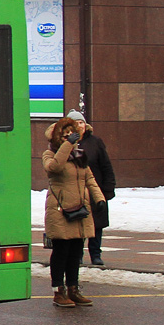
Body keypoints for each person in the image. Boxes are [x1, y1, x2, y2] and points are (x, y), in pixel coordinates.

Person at [43, 116, 107, 308]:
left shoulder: (79, 155)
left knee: (76, 251)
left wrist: (99, 198)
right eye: (66, 134)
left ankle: (73, 289)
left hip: (79, 210)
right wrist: (66, 147)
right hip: (61, 209)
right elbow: (55, 167)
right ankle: (58, 291)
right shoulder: (50, 153)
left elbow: (89, 178)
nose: (71, 137)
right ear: (58, 136)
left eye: (73, 133)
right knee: (61, 251)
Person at [67, 110, 116, 266]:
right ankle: (77, 254)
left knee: (97, 223)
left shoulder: (95, 142)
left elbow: (106, 166)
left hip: (95, 190)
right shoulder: (64, 144)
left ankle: (95, 254)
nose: (79, 126)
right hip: (75, 191)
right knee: (78, 223)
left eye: (81, 122)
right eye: (76, 123)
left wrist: (108, 189)